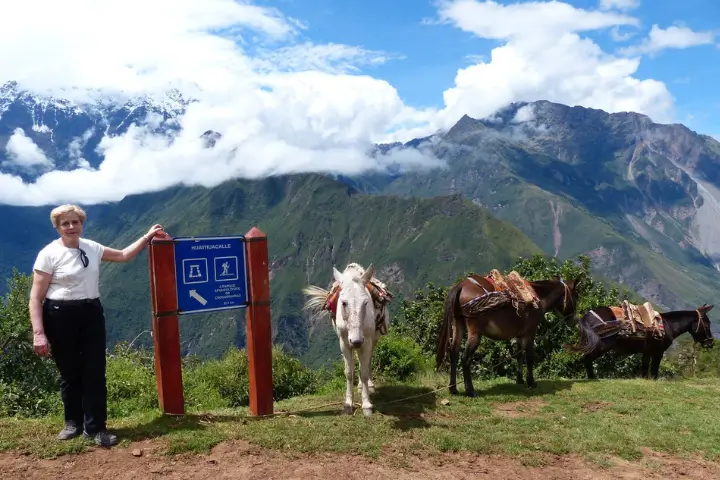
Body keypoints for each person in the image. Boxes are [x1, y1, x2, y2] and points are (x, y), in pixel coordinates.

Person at [28, 204, 164, 447]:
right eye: (65, 223)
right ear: (57, 227)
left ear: (82, 224)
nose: (71, 227)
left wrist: (147, 237)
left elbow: (123, 255)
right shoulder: (48, 254)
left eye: (75, 222)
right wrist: (39, 333)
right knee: (70, 372)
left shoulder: (92, 247)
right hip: (59, 315)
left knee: (94, 371)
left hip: (91, 313)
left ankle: (96, 428)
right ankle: (72, 423)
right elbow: (35, 297)